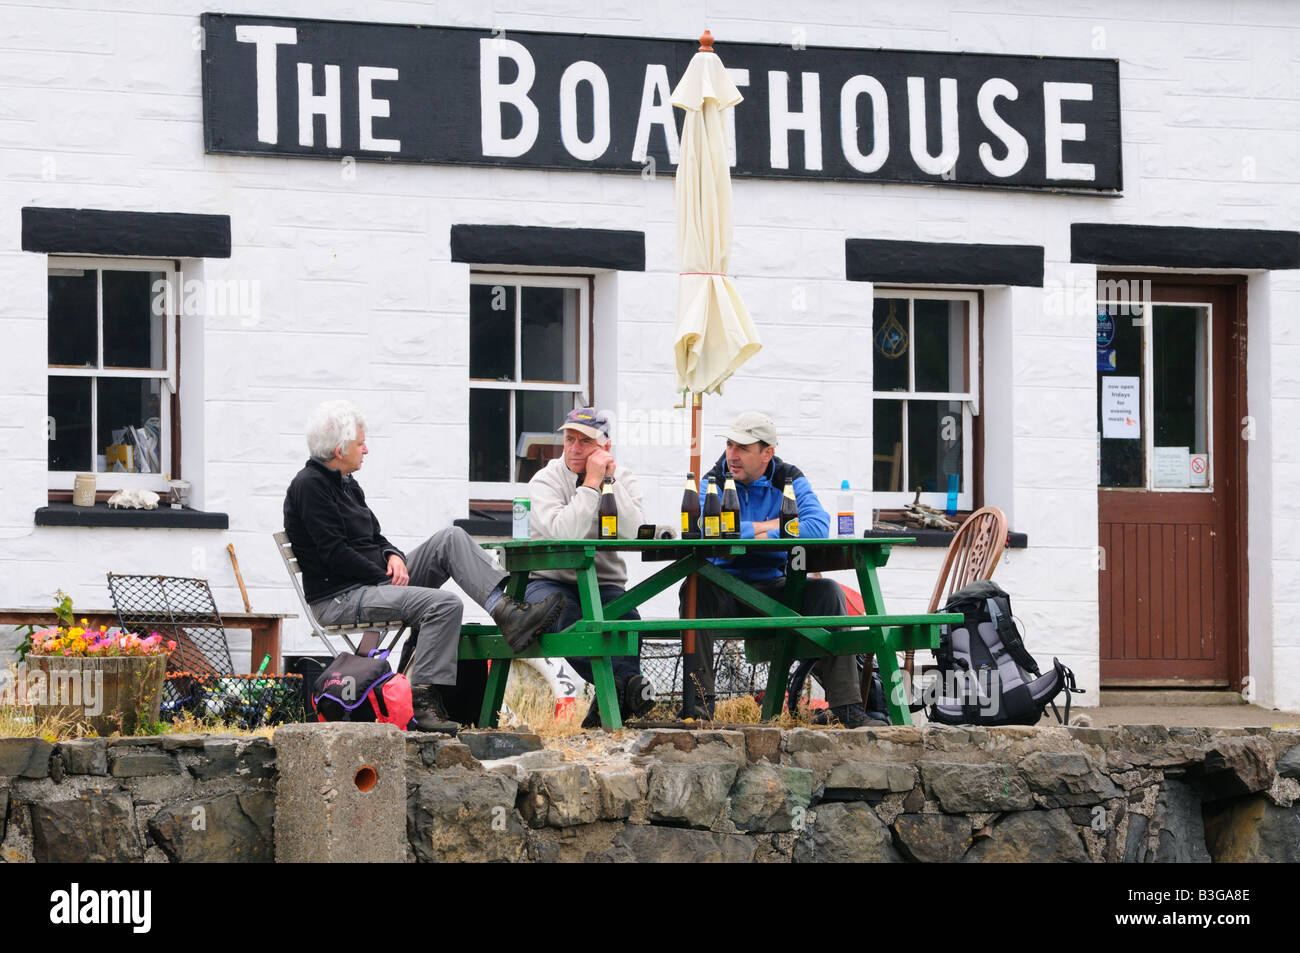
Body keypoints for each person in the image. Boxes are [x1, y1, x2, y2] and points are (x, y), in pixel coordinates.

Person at [283, 400, 565, 734]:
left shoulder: (347, 483)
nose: (366, 450)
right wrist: (382, 576)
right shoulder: (309, 486)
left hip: (372, 583)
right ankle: (421, 700)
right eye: (360, 443)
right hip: (341, 597)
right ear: (340, 449)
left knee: (450, 538)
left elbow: (375, 536)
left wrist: (393, 556)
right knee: (443, 605)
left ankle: (506, 613)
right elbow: (334, 554)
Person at [679, 411, 881, 728]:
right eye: (730, 445)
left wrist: (767, 534)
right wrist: (772, 528)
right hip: (724, 592)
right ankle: (700, 711)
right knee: (694, 588)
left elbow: (816, 527)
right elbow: (705, 530)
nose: (732, 454)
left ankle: (846, 709)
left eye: (743, 447)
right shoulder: (712, 480)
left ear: (767, 453)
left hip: (775, 592)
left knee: (827, 592)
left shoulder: (789, 477)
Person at [525, 407, 656, 728]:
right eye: (569, 440)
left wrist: (607, 480)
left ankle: (603, 716)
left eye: (585, 442)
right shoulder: (546, 479)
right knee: (569, 620)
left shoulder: (623, 478)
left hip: (604, 583)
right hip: (549, 581)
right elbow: (563, 535)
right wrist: (590, 485)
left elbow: (636, 532)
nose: (574, 449)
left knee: (627, 624)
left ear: (605, 447)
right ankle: (631, 688)